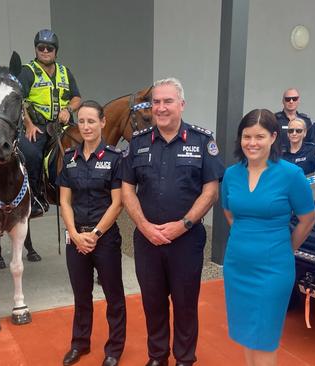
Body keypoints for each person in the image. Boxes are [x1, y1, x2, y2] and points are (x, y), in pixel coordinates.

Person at [121, 77, 224, 366]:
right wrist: (143, 226)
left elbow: (211, 190)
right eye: (156, 102)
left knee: (185, 304)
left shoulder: (202, 141)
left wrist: (184, 224)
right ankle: (157, 357)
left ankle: (184, 359)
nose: (161, 107)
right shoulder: (138, 143)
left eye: (168, 101)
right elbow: (127, 188)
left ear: (181, 104)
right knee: (153, 304)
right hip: (147, 240)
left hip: (186, 241)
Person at [221, 109, 315, 366]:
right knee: (248, 336)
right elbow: (230, 213)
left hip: (273, 269)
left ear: (274, 137)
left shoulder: (290, 175)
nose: (252, 143)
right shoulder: (231, 174)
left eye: (259, 136)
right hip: (237, 266)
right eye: (247, 136)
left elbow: (308, 219)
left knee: (265, 338)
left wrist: (287, 248)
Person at [57, 100, 126, 366]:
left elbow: (117, 202)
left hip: (104, 238)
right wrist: (74, 234)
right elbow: (64, 201)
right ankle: (80, 344)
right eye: (81, 121)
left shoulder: (114, 159)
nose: (86, 127)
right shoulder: (69, 158)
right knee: (81, 295)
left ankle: (114, 349)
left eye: (91, 121)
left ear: (102, 123)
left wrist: (94, 235)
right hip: (76, 239)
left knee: (114, 296)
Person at [18, 29, 81, 218]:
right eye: (41, 47)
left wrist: (68, 110)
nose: (45, 51)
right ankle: (36, 196)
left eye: (50, 48)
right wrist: (28, 124)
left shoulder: (64, 72)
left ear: (56, 51)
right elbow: (18, 99)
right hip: (38, 126)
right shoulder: (27, 72)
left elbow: (77, 97)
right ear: (36, 49)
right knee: (32, 153)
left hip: (62, 126)